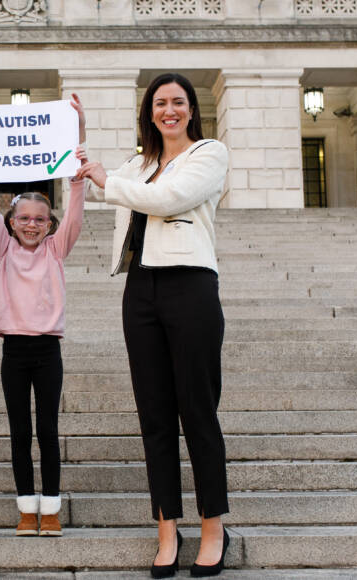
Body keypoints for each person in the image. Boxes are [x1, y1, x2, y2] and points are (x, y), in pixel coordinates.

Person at [75, 73, 229, 578]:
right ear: (149, 111)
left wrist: (105, 180)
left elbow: (167, 199)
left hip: (190, 285)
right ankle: (167, 528)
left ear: (190, 109)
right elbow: (92, 181)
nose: (169, 110)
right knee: (155, 416)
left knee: (197, 411)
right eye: (160, 103)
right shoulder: (138, 164)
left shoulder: (209, 153)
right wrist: (72, 136)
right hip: (139, 289)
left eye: (178, 102)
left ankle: (212, 527)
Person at [0, 94, 87, 537]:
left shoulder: (57, 249)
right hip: (13, 351)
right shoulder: (2, 246)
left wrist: (78, 134)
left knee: (47, 430)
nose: (32, 225)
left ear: (50, 225)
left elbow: (75, 196)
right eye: (24, 218)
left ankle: (50, 509)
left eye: (40, 219)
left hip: (47, 351)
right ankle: (25, 508)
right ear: (12, 222)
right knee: (19, 432)